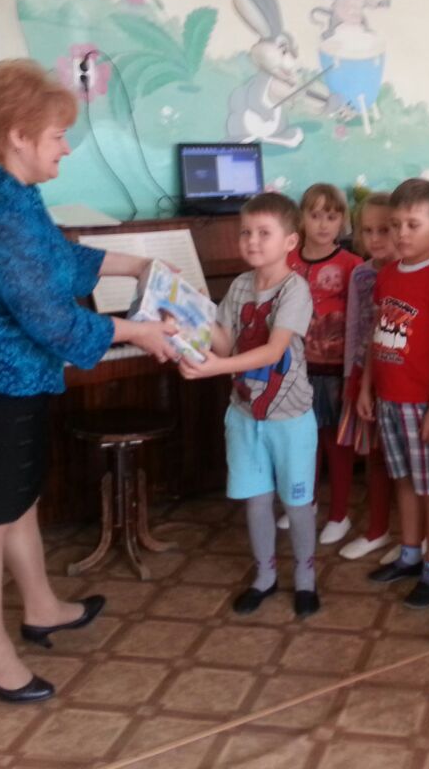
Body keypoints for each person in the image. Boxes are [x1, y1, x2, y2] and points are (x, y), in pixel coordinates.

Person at [0, 59, 176, 703]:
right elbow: (53, 320)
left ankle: (41, 607)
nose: (66, 146)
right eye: (57, 135)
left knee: (17, 501)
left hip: (9, 380)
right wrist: (138, 331)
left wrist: (138, 265)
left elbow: (57, 258)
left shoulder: (9, 190)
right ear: (17, 135)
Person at [179, 192, 320, 619]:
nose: (252, 241)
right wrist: (196, 315)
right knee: (256, 501)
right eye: (245, 232)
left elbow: (274, 351)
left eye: (263, 233)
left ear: (290, 242)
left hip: (290, 419)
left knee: (296, 504)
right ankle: (264, 575)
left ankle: (306, 579)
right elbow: (225, 341)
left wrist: (216, 367)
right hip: (244, 415)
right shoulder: (240, 285)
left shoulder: (295, 289)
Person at [359, 178, 429, 607]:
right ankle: (410, 554)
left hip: (421, 404)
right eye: (395, 224)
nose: (401, 234)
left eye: (412, 225)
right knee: (402, 479)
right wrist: (367, 387)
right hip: (388, 399)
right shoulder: (385, 275)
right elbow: (376, 335)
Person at [287, 183, 362, 545]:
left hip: (334, 370)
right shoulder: (287, 259)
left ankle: (339, 514)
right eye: (315, 215)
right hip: (294, 369)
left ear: (342, 220)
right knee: (303, 442)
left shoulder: (351, 265)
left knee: (336, 444)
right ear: (301, 218)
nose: (322, 224)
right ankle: (308, 503)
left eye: (331, 216)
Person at [337, 193, 399, 561]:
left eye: (384, 230)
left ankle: (418, 541)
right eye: (368, 230)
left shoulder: (411, 272)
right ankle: (378, 528)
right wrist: (353, 377)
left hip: (404, 378)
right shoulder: (361, 274)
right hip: (365, 375)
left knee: (408, 464)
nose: (375, 238)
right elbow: (353, 329)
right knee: (375, 456)